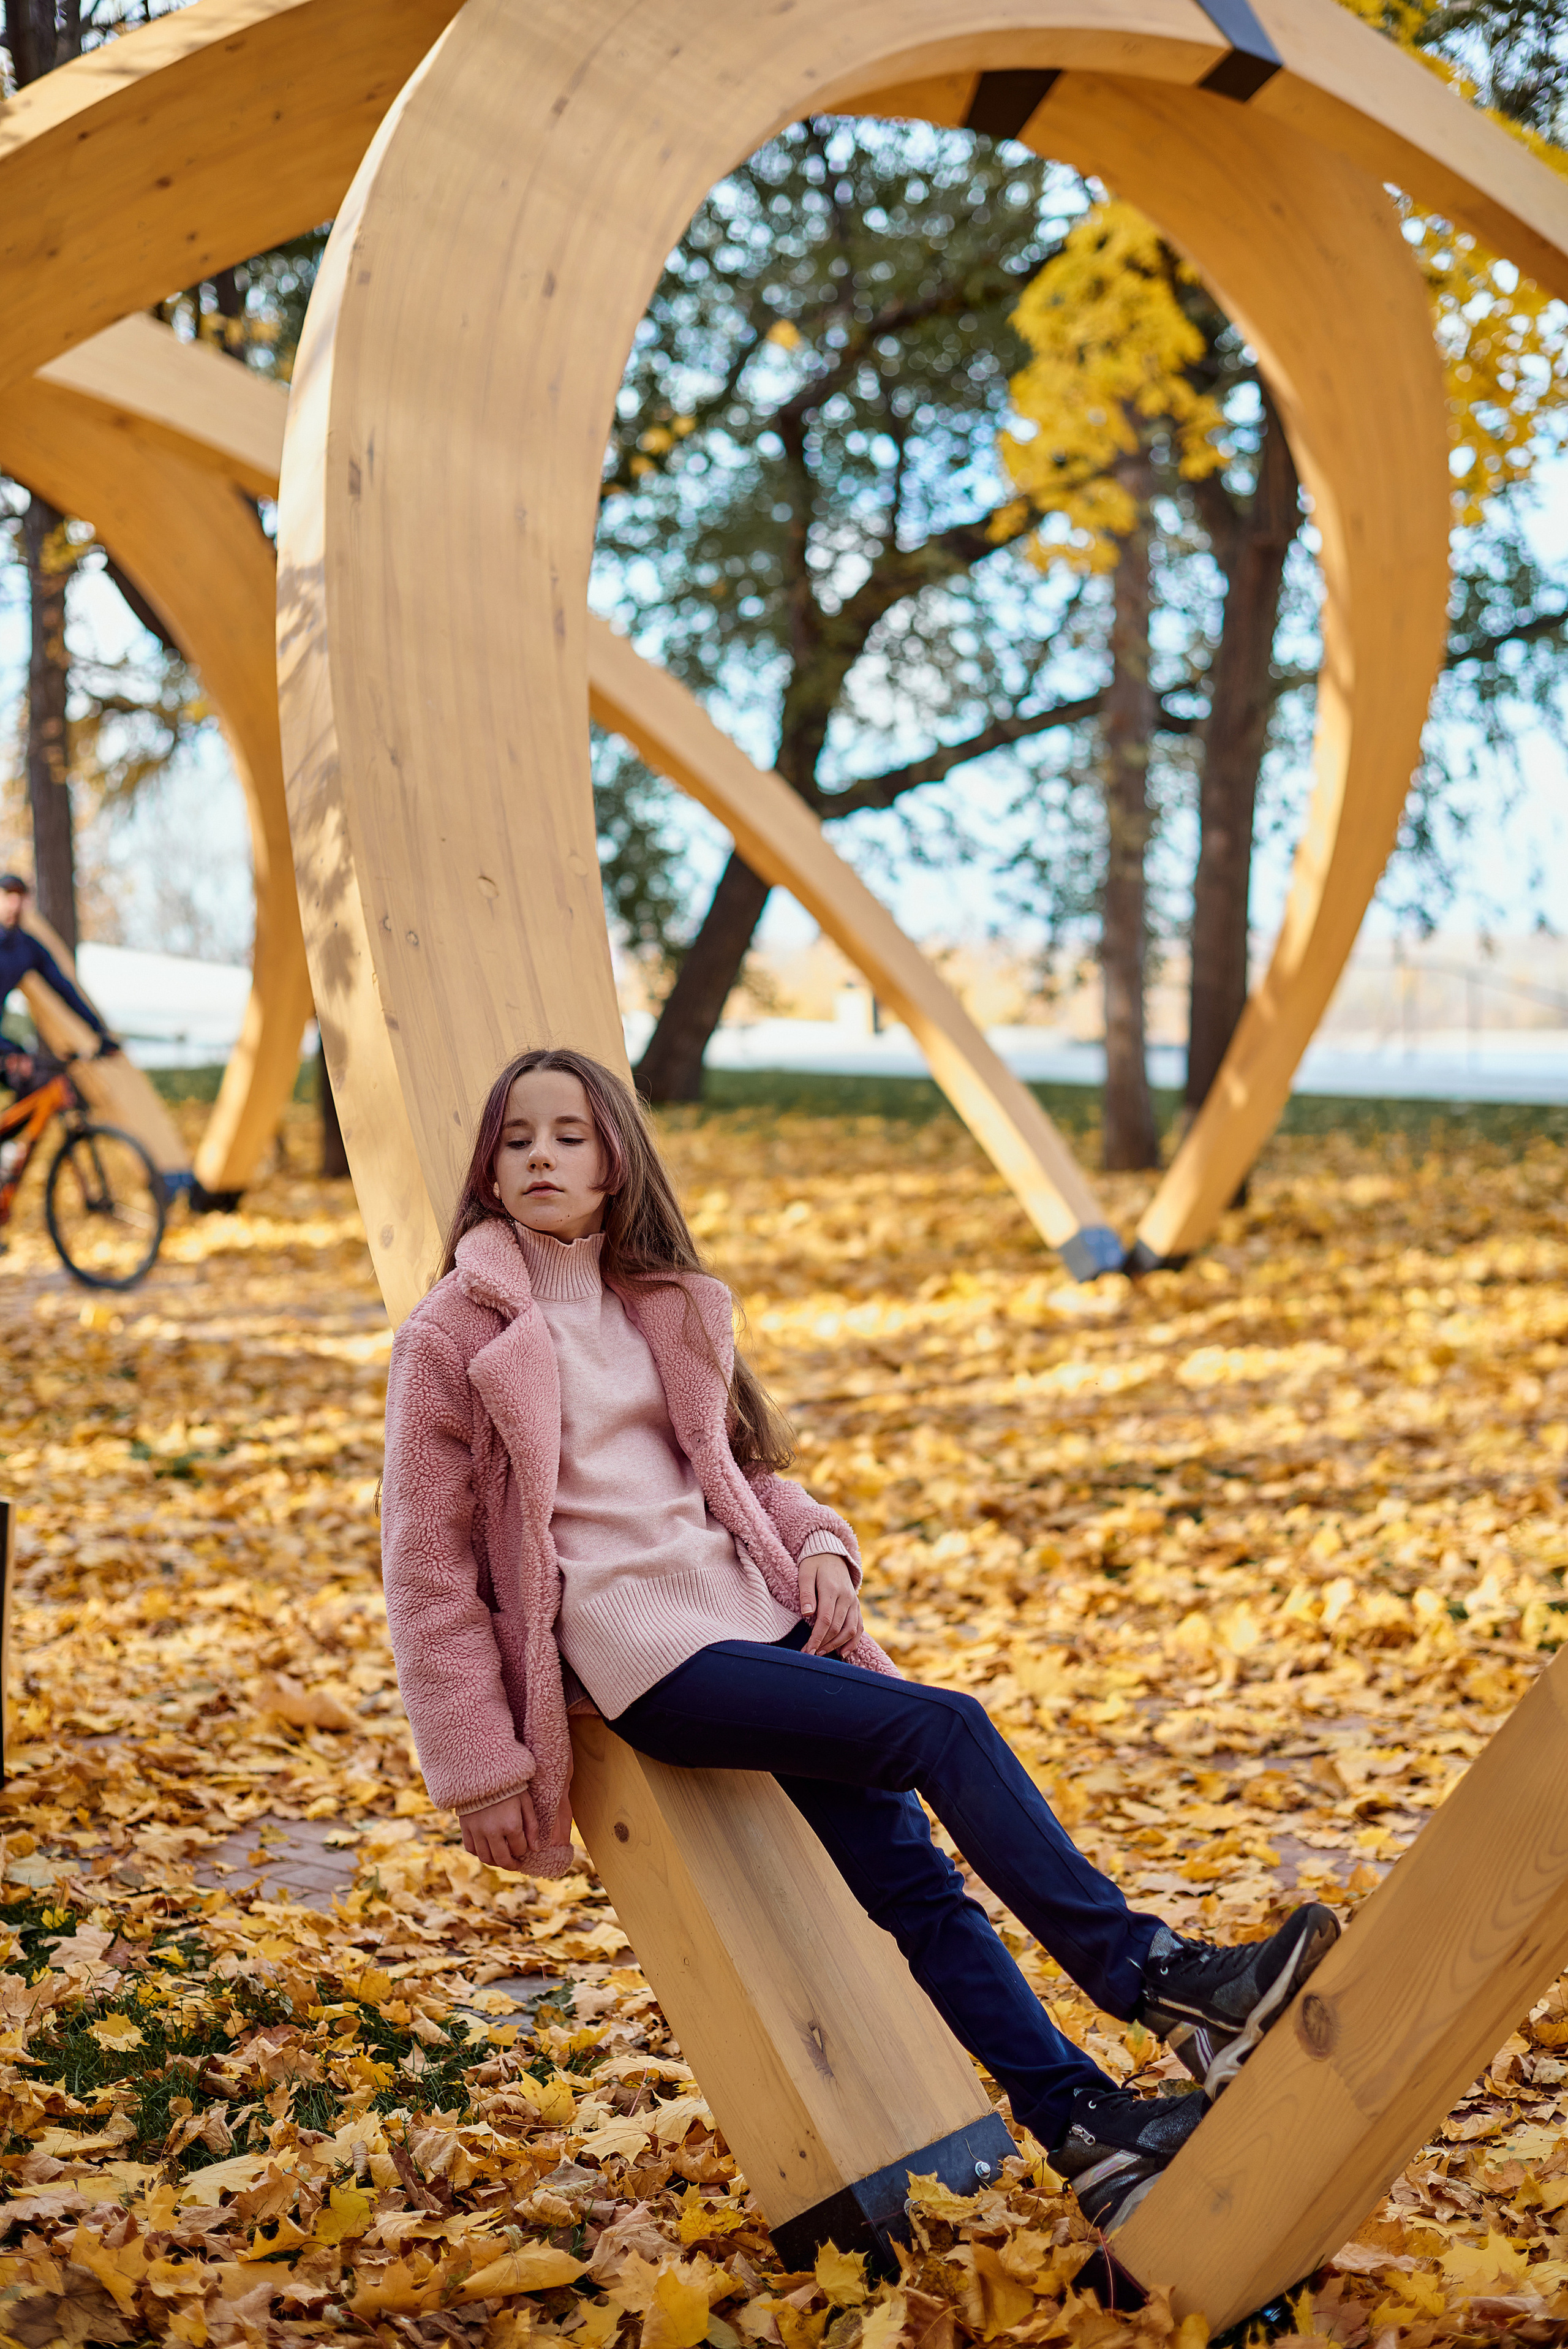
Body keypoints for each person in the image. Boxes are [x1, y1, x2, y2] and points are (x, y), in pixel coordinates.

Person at [380, 1048, 1338, 2233]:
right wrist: (480, 1763)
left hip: (758, 1613)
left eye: (570, 1133)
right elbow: (425, 1568)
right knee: (945, 1723)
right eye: (516, 1136)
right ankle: (1163, 1977)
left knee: (920, 1889)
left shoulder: (662, 1302)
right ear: (488, 1163)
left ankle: (1086, 2127)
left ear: (616, 1154)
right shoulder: (450, 1334)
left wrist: (825, 1544)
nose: (540, 1155)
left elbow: (740, 1473)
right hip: (645, 1654)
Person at [0, 874, 119, 1057]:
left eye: (19, 897)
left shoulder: (27, 948)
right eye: (8, 896)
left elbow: (64, 988)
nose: (14, 904)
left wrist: (97, 1029)